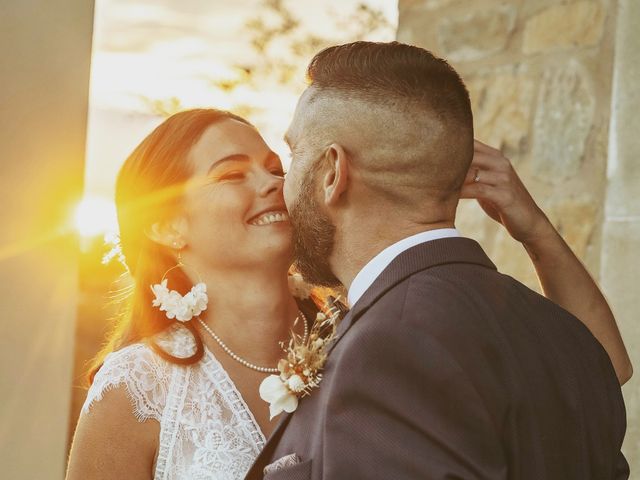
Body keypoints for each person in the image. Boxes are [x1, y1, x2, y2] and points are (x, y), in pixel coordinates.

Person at [246, 41, 631, 479]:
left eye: (295, 154)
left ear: (333, 172)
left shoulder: (386, 350)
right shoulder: (567, 333)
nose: (282, 184)